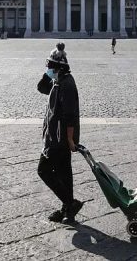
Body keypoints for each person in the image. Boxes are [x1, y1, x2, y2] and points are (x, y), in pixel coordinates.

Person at [36, 44, 83, 224]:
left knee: (43, 170)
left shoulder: (67, 84)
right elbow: (41, 88)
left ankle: (70, 202)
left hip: (60, 139)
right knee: (64, 172)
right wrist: (47, 74)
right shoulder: (57, 81)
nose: (47, 68)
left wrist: (70, 139)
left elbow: (70, 116)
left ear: (58, 68)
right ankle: (67, 210)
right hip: (54, 136)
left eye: (49, 66)